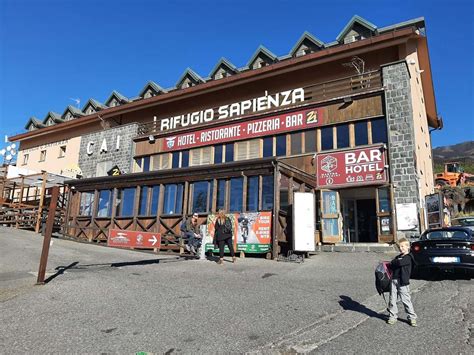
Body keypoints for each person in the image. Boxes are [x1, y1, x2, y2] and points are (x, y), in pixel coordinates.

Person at [387, 237, 417, 326]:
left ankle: (412, 317)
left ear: (408, 247)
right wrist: (394, 262)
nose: (401, 248)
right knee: (392, 300)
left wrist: (394, 262)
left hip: (403, 282)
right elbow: (392, 264)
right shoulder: (398, 257)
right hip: (394, 280)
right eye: (400, 247)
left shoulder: (409, 257)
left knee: (406, 300)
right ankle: (392, 316)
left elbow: (398, 263)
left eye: (403, 246)